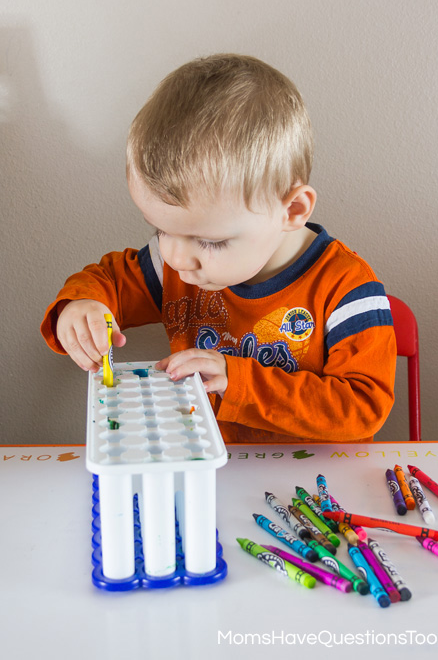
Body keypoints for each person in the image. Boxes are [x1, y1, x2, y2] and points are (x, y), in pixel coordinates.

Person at [41, 53, 396, 444]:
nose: (176, 258)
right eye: (160, 229)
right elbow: (107, 280)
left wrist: (237, 380)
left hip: (313, 491)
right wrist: (82, 309)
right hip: (210, 476)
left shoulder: (346, 288)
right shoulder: (175, 266)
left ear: (291, 210)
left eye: (209, 241)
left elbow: (362, 409)